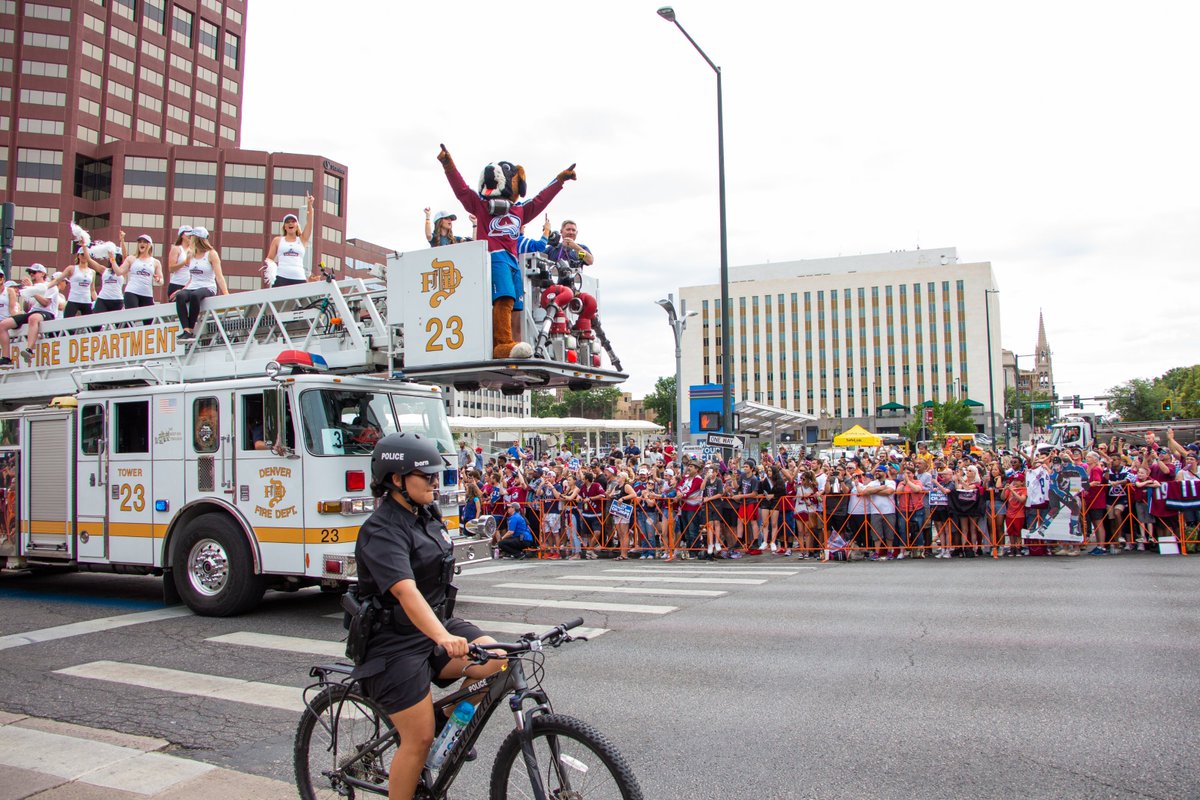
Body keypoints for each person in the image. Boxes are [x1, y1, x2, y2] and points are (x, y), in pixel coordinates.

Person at [353, 433, 501, 800]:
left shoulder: (427, 514)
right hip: (392, 645)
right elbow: (406, 591)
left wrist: (441, 633)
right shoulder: (381, 529)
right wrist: (442, 638)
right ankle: (423, 742)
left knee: (496, 661)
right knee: (416, 740)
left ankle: (447, 731)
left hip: (433, 627)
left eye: (438, 475)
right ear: (396, 479)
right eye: (427, 476)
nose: (436, 482)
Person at [172, 227, 228, 340]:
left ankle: (191, 329)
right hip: (193, 285)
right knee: (181, 296)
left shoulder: (211, 254)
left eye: (191, 237)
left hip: (207, 287)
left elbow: (219, 275)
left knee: (195, 296)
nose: (189, 239)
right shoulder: (190, 255)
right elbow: (192, 277)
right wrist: (183, 289)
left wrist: (226, 293)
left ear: (197, 239)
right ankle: (186, 330)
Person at [0, 264, 58, 367]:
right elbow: (27, 307)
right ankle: (6, 357)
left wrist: (32, 290)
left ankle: (29, 349)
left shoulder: (50, 286)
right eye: (30, 272)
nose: (31, 275)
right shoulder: (32, 287)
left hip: (47, 312)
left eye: (34, 272)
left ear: (42, 274)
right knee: (3, 324)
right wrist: (27, 292)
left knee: (33, 318)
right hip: (33, 311)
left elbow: (45, 303)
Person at [265, 194, 315, 286]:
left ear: (297, 225)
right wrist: (272, 270)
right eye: (287, 222)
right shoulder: (278, 240)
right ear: (284, 226)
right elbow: (269, 258)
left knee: (303, 300)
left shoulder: (302, 239)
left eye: (293, 222)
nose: (290, 224)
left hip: (299, 277)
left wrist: (309, 205)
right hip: (281, 277)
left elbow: (309, 222)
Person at [116, 232, 163, 308]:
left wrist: (158, 280)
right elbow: (119, 272)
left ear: (150, 245)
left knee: (149, 319)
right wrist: (112, 260)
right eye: (140, 242)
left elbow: (161, 281)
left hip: (147, 294)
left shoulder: (156, 262)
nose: (142, 244)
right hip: (132, 292)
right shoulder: (132, 258)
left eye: (145, 242)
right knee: (133, 316)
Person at [60, 247, 98, 317]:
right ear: (78, 256)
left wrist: (98, 302)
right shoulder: (72, 268)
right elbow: (58, 279)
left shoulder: (92, 272)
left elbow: (92, 290)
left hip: (86, 301)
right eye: (82, 254)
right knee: (67, 321)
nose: (84, 256)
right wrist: (47, 286)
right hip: (74, 299)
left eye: (86, 255)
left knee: (89, 323)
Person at [165, 225, 193, 301]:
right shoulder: (176, 248)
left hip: (189, 285)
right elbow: (171, 268)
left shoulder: (193, 250)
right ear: (182, 235)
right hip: (177, 284)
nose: (190, 236)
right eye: (188, 234)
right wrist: (184, 262)